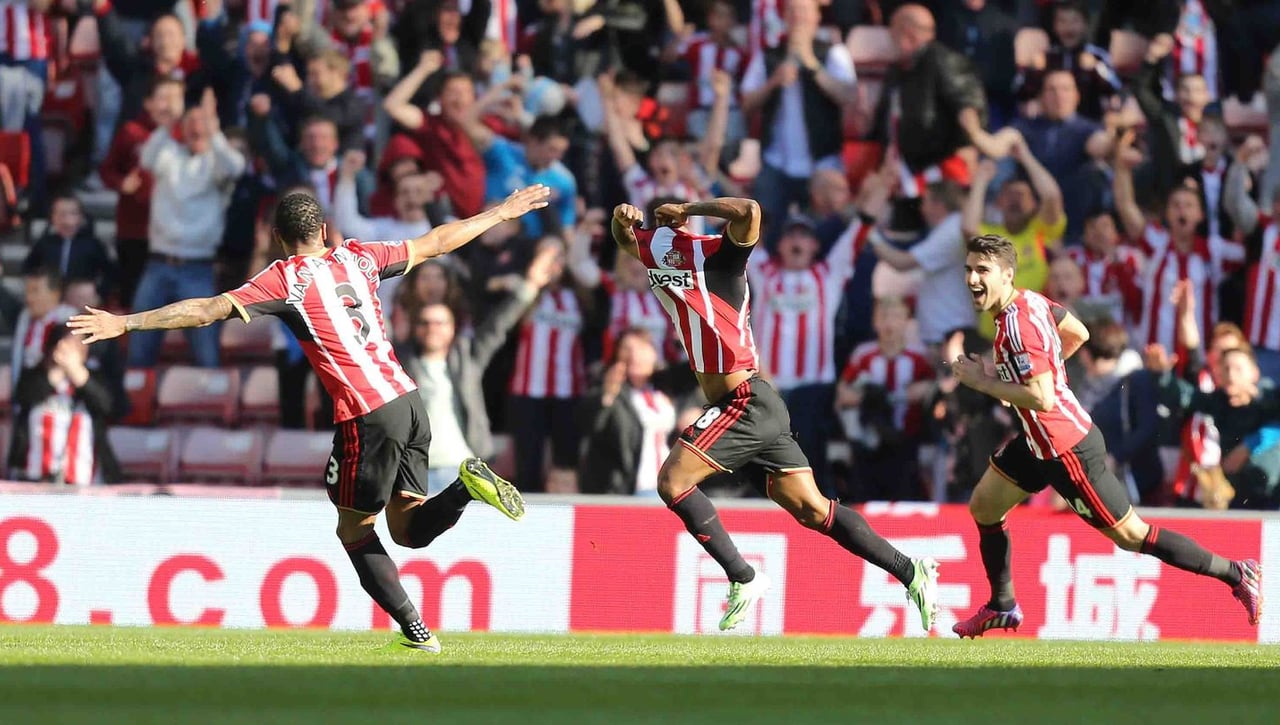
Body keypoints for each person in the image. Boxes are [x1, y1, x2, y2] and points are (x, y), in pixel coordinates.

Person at [68, 183, 554, 653]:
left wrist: (126, 322)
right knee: (407, 531)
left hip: (366, 414)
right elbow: (436, 241)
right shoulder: (359, 257)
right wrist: (497, 213)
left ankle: (417, 630)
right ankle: (465, 487)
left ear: (278, 239)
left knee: (354, 530)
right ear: (325, 229)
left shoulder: (284, 278)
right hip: (408, 401)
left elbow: (207, 310)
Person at [610, 196, 939, 633]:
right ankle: (911, 570)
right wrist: (620, 219)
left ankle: (743, 577)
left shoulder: (720, 254)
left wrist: (692, 207)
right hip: (747, 402)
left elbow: (749, 210)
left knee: (672, 481)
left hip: (745, 400)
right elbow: (626, 240)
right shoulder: (656, 248)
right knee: (812, 508)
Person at [947, 234, 1261, 637]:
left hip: (1067, 449)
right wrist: (1024, 380)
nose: (973, 278)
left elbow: (1041, 398)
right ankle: (1002, 605)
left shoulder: (1017, 326)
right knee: (985, 506)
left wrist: (984, 381)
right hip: (1037, 441)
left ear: (1007, 274)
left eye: (982, 270)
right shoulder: (1031, 300)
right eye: (969, 269)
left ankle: (1238, 573)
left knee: (1133, 536)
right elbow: (1078, 333)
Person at [8, 326, 121, 485]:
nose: (76, 349)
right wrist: (57, 371)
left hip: (86, 478)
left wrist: (75, 371)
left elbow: (107, 406)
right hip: (35, 477)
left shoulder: (96, 377)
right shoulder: (33, 375)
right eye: (71, 343)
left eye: (82, 343)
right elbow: (24, 397)